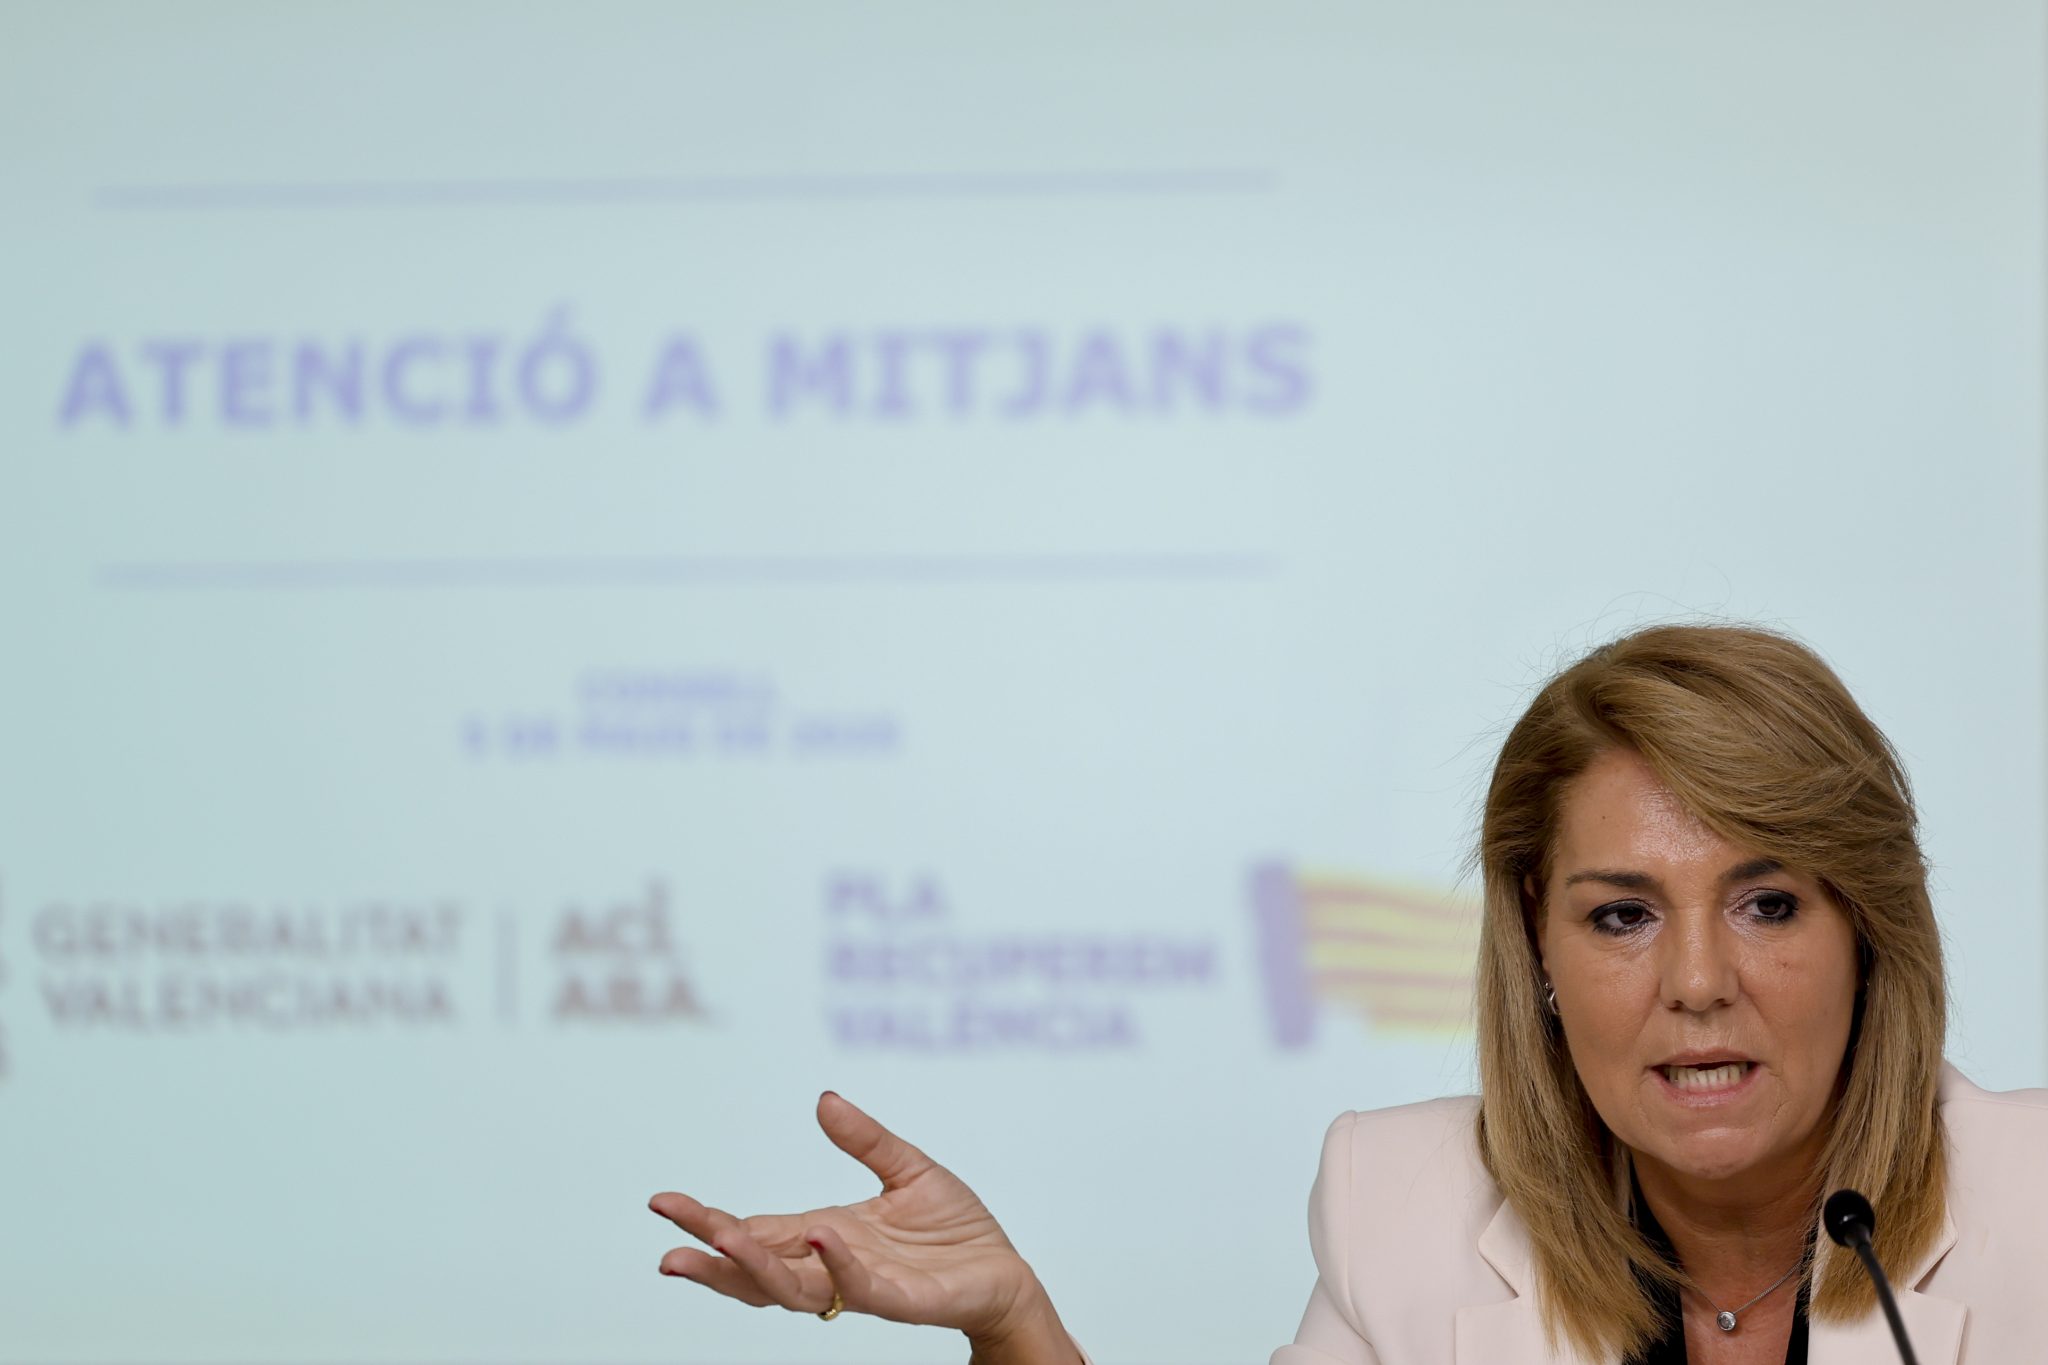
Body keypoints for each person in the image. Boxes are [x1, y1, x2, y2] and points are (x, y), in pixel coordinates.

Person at [647, 624, 2048, 1364]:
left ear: (1870, 931)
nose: (1697, 983)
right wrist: (1015, 1323)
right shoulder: (1408, 1205)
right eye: (1622, 915)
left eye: (1768, 903)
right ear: (1537, 951)